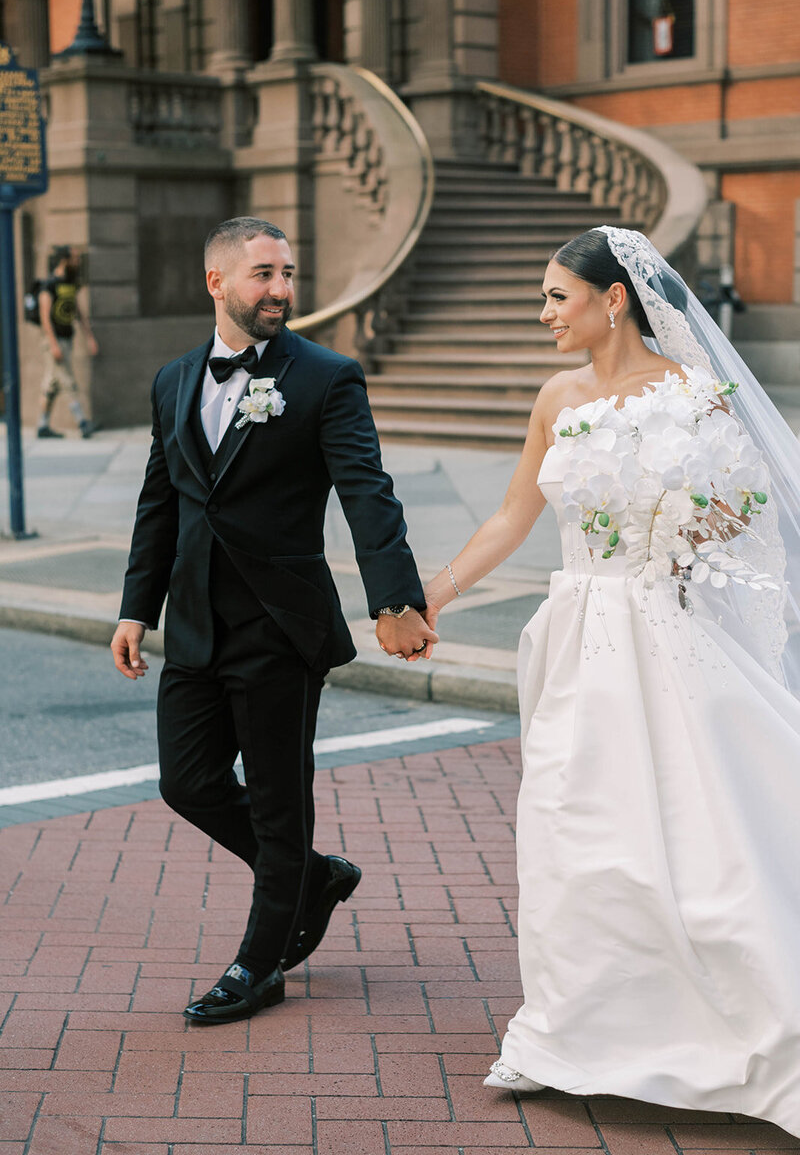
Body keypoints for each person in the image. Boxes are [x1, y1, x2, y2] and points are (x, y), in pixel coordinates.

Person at [422, 226, 800, 1136]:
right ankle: (571, 1031)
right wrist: (430, 594)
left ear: (614, 298)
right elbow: (515, 516)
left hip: (671, 635)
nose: (544, 313)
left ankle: (745, 1028)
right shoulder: (556, 397)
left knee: (700, 832)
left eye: (557, 296)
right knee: (574, 824)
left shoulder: (695, 396)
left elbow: (745, 516)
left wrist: (682, 532)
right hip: (580, 634)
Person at [110, 217, 436, 1024]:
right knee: (185, 782)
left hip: (279, 628)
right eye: (263, 275)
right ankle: (312, 879)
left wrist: (394, 600)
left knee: (279, 804)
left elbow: (368, 490)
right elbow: (163, 501)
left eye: (287, 273)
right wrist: (134, 607)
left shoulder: (326, 377)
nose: (282, 290)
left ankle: (260, 965)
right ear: (217, 282)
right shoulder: (173, 380)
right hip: (192, 624)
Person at [37, 246, 98, 439]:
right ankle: (82, 423)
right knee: (68, 380)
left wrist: (89, 337)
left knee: (51, 384)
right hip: (54, 341)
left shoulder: (71, 282)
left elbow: (78, 311)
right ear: (65, 260)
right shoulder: (49, 284)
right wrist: (53, 344)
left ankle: (42, 425)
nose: (78, 262)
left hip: (67, 338)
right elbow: (45, 317)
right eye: (75, 258)